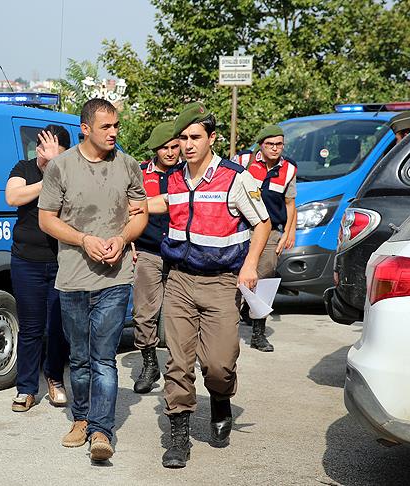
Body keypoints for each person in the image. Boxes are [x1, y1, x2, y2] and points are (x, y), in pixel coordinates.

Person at [148, 102, 271, 468]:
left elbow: (262, 223)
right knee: (178, 363)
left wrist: (250, 264)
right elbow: (162, 203)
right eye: (182, 138)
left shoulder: (235, 178)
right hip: (180, 281)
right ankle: (179, 439)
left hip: (221, 284)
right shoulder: (174, 178)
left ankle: (220, 399)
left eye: (195, 137)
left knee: (218, 365)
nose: (187, 145)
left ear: (211, 139)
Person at [38, 98, 149, 462]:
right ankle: (81, 419)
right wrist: (84, 240)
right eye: (106, 126)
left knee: (104, 359)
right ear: (85, 128)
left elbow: (140, 214)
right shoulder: (61, 167)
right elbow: (46, 220)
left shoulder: (128, 165)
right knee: (80, 358)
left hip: (115, 278)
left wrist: (123, 238)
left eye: (116, 125)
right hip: (72, 277)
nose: (114, 132)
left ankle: (102, 431)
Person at [5, 125, 72, 412]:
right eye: (40, 146)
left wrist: (58, 167)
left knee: (58, 327)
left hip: (63, 261)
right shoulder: (25, 168)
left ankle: (55, 378)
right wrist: (46, 175)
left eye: (52, 147)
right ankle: (27, 388)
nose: (43, 151)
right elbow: (13, 197)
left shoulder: (73, 171)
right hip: (27, 260)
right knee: (31, 328)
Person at [235, 125, 298, 352]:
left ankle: (258, 334)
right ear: (261, 145)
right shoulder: (243, 161)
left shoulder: (289, 169)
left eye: (279, 144)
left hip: (271, 231)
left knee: (265, 280)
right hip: (241, 229)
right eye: (270, 144)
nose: (275, 148)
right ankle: (228, 330)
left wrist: (289, 232)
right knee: (236, 279)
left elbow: (290, 204)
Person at [131, 121, 182, 394]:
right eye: (165, 148)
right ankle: (150, 364)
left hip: (180, 254)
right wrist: (128, 240)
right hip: (148, 251)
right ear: (156, 149)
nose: (171, 152)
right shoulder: (140, 174)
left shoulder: (186, 174)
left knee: (178, 314)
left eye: (175, 146)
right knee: (143, 313)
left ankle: (178, 368)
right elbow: (125, 209)